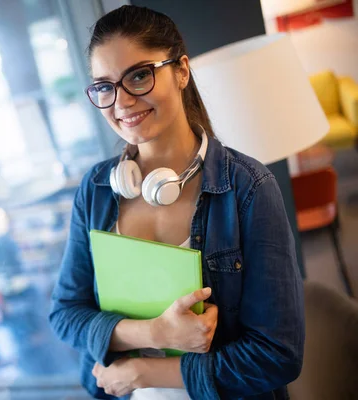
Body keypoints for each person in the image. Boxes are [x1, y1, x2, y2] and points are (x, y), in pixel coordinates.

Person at [48, 5, 305, 400]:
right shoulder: (97, 189)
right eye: (104, 86)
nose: (122, 102)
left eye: (139, 75)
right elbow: (66, 314)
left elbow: (277, 355)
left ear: (181, 71)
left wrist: (145, 371)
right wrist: (155, 333)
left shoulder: (249, 188)